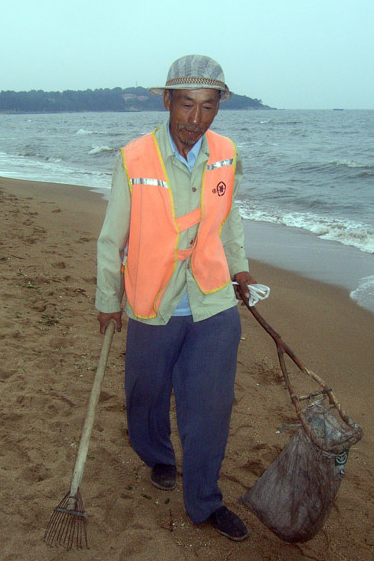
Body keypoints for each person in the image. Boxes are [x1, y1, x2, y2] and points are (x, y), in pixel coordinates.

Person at [95, 54, 256, 541]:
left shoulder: (226, 152)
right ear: (167, 101)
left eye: (208, 107)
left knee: (210, 407)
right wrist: (109, 299)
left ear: (218, 107)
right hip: (153, 301)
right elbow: (112, 237)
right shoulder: (135, 158)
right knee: (145, 396)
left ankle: (204, 501)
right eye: (186, 105)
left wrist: (241, 265)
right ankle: (158, 457)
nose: (195, 119)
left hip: (212, 301)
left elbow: (229, 217)